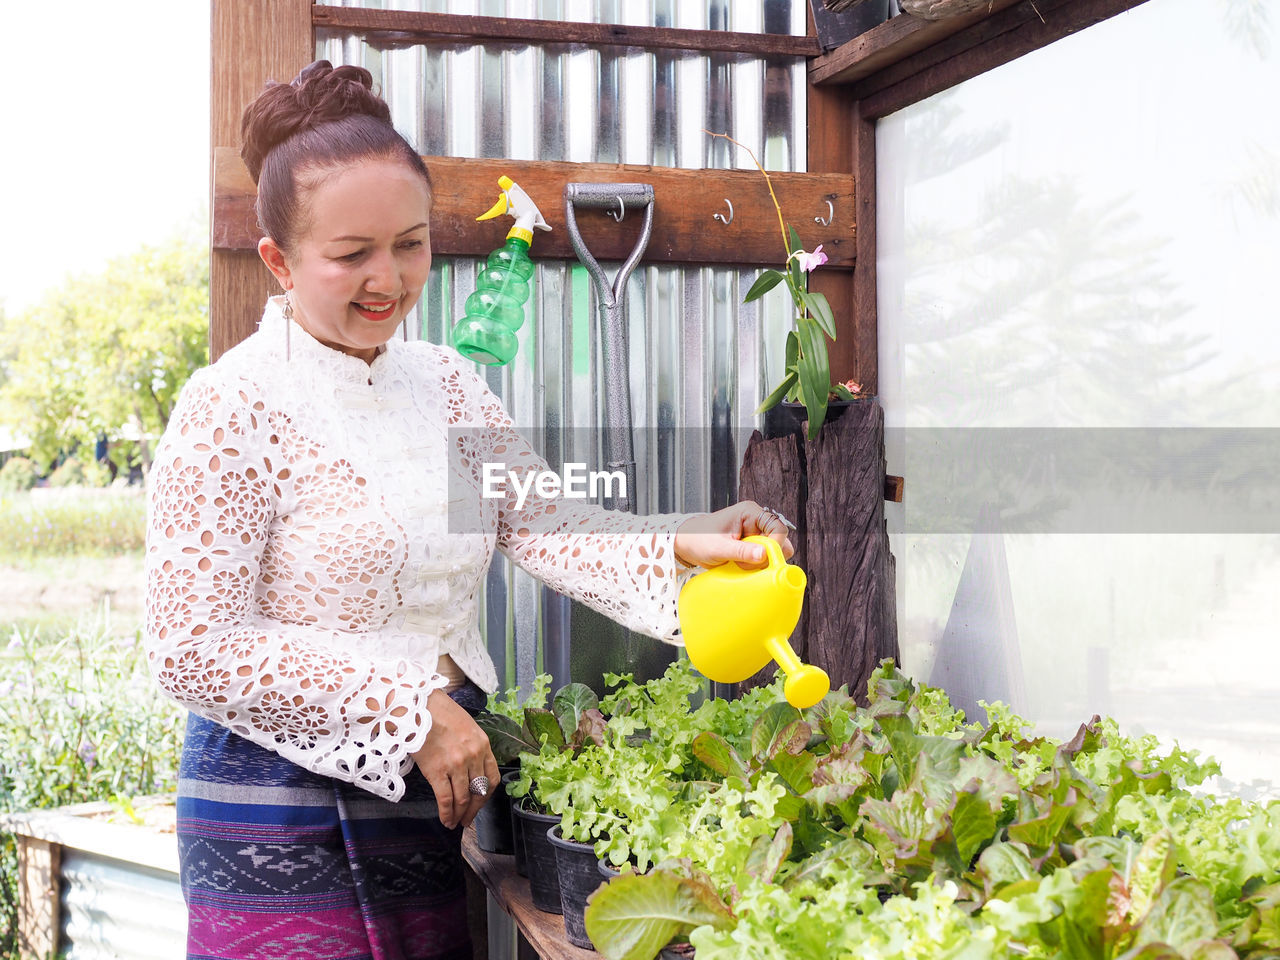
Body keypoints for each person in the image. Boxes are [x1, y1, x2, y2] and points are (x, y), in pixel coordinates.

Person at [144, 60, 794, 960]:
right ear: (279, 261)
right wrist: (406, 714)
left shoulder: (447, 385)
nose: (389, 279)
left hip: (428, 793)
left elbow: (536, 523)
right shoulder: (233, 407)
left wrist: (686, 541)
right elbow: (193, 645)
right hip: (277, 807)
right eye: (350, 254)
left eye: (410, 244)